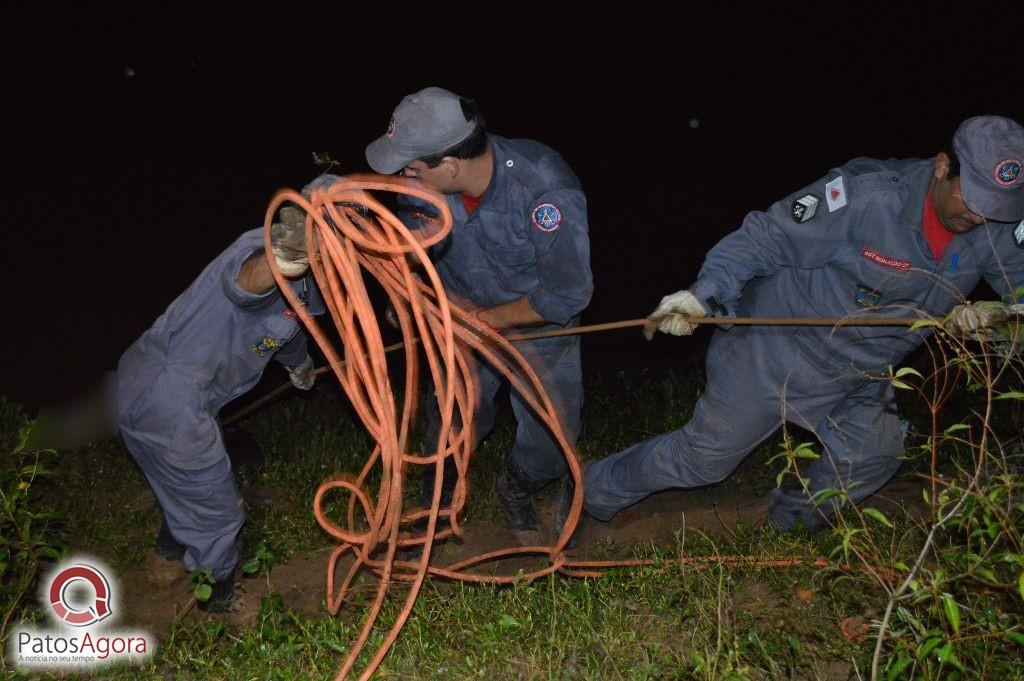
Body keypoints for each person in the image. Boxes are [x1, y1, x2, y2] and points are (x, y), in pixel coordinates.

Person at [568, 115, 1024, 534]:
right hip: (774, 351)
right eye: (975, 199)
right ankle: (590, 492)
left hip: (862, 372)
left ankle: (787, 526)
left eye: (997, 207)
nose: (982, 217)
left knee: (874, 455)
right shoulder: (868, 196)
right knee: (703, 460)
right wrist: (701, 295)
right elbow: (768, 237)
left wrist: (1004, 317)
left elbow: (1020, 293)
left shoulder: (998, 222)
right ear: (943, 167)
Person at [365, 87, 593, 539]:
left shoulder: (545, 188)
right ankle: (439, 511)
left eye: (411, 166)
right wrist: (405, 294)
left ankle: (516, 486)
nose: (402, 177)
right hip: (457, 319)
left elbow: (568, 293)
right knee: (450, 419)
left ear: (450, 165)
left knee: (553, 438)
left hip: (539, 326)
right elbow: (411, 249)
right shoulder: (420, 188)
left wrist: (486, 322)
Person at [117, 206, 323, 611]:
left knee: (187, 476)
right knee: (219, 511)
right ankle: (218, 599)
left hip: (171, 393)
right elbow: (248, 284)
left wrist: (299, 362)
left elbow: (290, 325)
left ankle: (167, 556)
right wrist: (285, 257)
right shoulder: (258, 252)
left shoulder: (314, 285)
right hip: (169, 396)